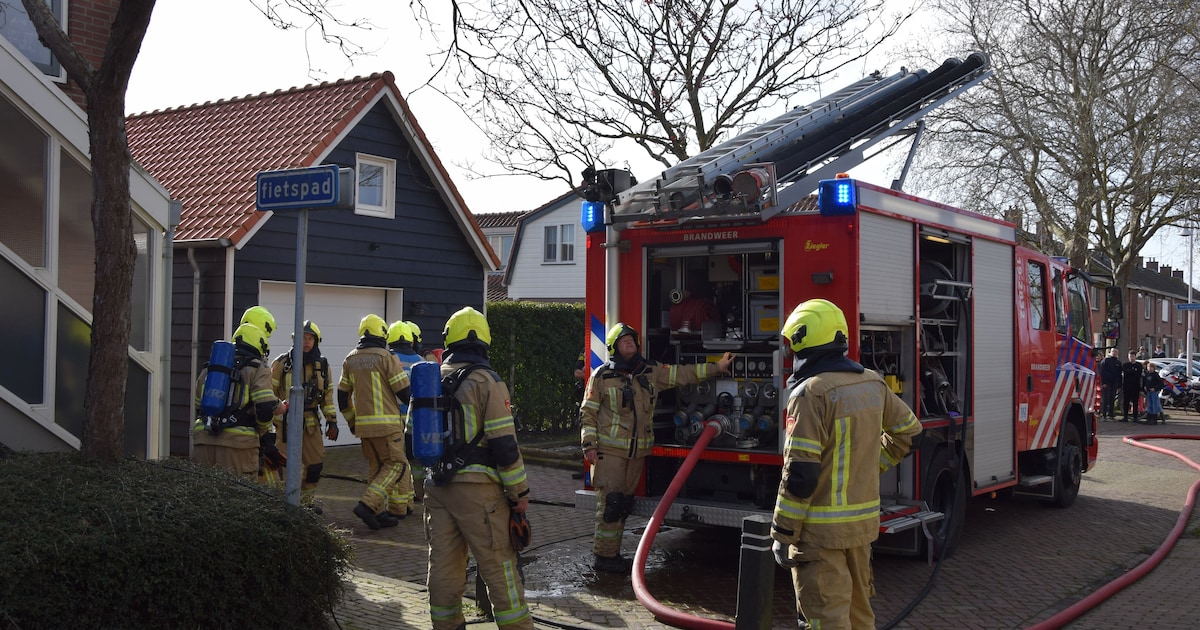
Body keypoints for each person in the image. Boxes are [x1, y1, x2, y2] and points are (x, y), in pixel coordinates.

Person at [770, 299, 922, 629]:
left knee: (827, 621)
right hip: (861, 531)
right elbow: (910, 433)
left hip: (819, 538)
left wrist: (782, 534)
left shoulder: (811, 392)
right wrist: (871, 465)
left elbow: (800, 475)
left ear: (803, 341)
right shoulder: (872, 381)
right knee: (859, 618)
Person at [580, 322, 734, 573]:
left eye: (632, 339)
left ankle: (613, 555)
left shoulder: (650, 372)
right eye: (623, 340)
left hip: (637, 453)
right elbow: (587, 414)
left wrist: (717, 368)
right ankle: (604, 557)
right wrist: (589, 445)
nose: (629, 343)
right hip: (611, 454)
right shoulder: (601, 377)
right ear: (614, 347)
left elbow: (683, 373)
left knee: (624, 504)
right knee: (611, 505)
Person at [424, 306, 532, 630]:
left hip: (437, 488)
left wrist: (423, 485)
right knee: (500, 566)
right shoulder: (488, 381)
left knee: (443, 566)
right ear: (484, 341)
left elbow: (412, 437)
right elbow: (504, 446)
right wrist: (519, 494)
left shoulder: (430, 379)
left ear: (450, 339)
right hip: (479, 493)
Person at [339, 313, 413, 529]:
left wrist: (352, 422)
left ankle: (378, 513)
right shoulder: (386, 357)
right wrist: (417, 408)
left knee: (377, 466)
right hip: (388, 425)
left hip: (364, 427)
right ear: (382, 333)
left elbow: (342, 397)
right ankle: (368, 505)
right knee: (396, 465)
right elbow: (403, 391)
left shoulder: (350, 359)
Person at [192, 323, 282, 479]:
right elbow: (265, 407)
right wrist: (262, 431)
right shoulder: (259, 368)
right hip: (238, 446)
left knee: (204, 496)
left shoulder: (212, 367)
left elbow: (198, 403)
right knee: (237, 496)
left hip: (203, 440)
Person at [269, 320, 338, 510]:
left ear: (316, 341)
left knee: (314, 467)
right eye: (303, 338)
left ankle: (306, 503)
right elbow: (269, 394)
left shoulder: (323, 366)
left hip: (311, 424)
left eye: (310, 338)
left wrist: (332, 422)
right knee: (289, 468)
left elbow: (328, 397)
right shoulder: (282, 363)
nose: (306, 342)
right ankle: (289, 505)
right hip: (286, 424)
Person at [388, 320, 426, 502]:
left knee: (395, 461)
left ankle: (402, 497)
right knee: (415, 460)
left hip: (393, 418)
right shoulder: (421, 362)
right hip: (416, 419)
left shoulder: (388, 359)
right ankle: (418, 492)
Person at [1098, 348, 1122, 422]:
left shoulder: (1118, 362)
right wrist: (1104, 382)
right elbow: (1102, 372)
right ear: (1110, 352)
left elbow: (1119, 375)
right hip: (1107, 383)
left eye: (1116, 352)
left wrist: (1119, 385)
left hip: (1114, 383)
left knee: (1112, 399)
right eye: (1113, 351)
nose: (1114, 353)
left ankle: (1111, 415)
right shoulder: (1106, 361)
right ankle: (1104, 415)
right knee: (1106, 399)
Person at [1121, 350, 1145, 422]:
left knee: (1135, 402)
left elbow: (1139, 374)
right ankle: (1125, 416)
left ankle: (1135, 417)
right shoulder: (1125, 365)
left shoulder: (1139, 365)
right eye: (1130, 356)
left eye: (1133, 356)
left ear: (1135, 357)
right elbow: (1125, 373)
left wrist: (1131, 372)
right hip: (1127, 386)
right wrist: (1133, 371)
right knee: (1126, 402)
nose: (1131, 358)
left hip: (1136, 386)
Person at [1142, 360, 1164, 425]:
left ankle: (1154, 419)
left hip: (1154, 392)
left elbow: (1161, 383)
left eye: (1151, 367)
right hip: (1148, 391)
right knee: (1149, 405)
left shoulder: (1155, 375)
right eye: (1149, 367)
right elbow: (1145, 382)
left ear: (1154, 368)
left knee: (1155, 404)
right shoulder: (1147, 374)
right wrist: (1145, 387)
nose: (1150, 368)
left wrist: (1155, 388)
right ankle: (1149, 418)